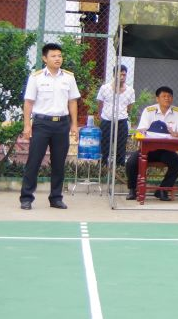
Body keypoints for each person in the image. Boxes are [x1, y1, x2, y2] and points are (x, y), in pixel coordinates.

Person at [19, 42, 81, 210]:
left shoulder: (68, 77)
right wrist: (27, 125)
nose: (57, 59)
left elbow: (73, 101)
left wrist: (74, 125)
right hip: (41, 124)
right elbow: (28, 102)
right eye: (53, 56)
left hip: (62, 124)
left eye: (59, 56)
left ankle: (56, 198)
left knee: (59, 163)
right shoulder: (36, 77)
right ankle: (26, 198)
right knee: (34, 161)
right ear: (44, 58)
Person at [127, 86, 178, 202]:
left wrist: (176, 133)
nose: (167, 99)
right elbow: (140, 130)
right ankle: (132, 190)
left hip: (167, 150)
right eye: (164, 96)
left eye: (169, 96)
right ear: (157, 99)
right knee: (131, 163)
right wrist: (148, 131)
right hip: (149, 149)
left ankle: (162, 190)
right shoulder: (149, 111)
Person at [95, 64, 133, 169]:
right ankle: (102, 167)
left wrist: (124, 115)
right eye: (120, 75)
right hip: (107, 120)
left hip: (122, 121)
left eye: (124, 75)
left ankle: (120, 168)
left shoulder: (130, 90)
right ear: (114, 75)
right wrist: (100, 115)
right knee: (104, 144)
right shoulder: (104, 88)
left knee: (121, 146)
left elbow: (130, 107)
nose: (122, 77)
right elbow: (100, 103)